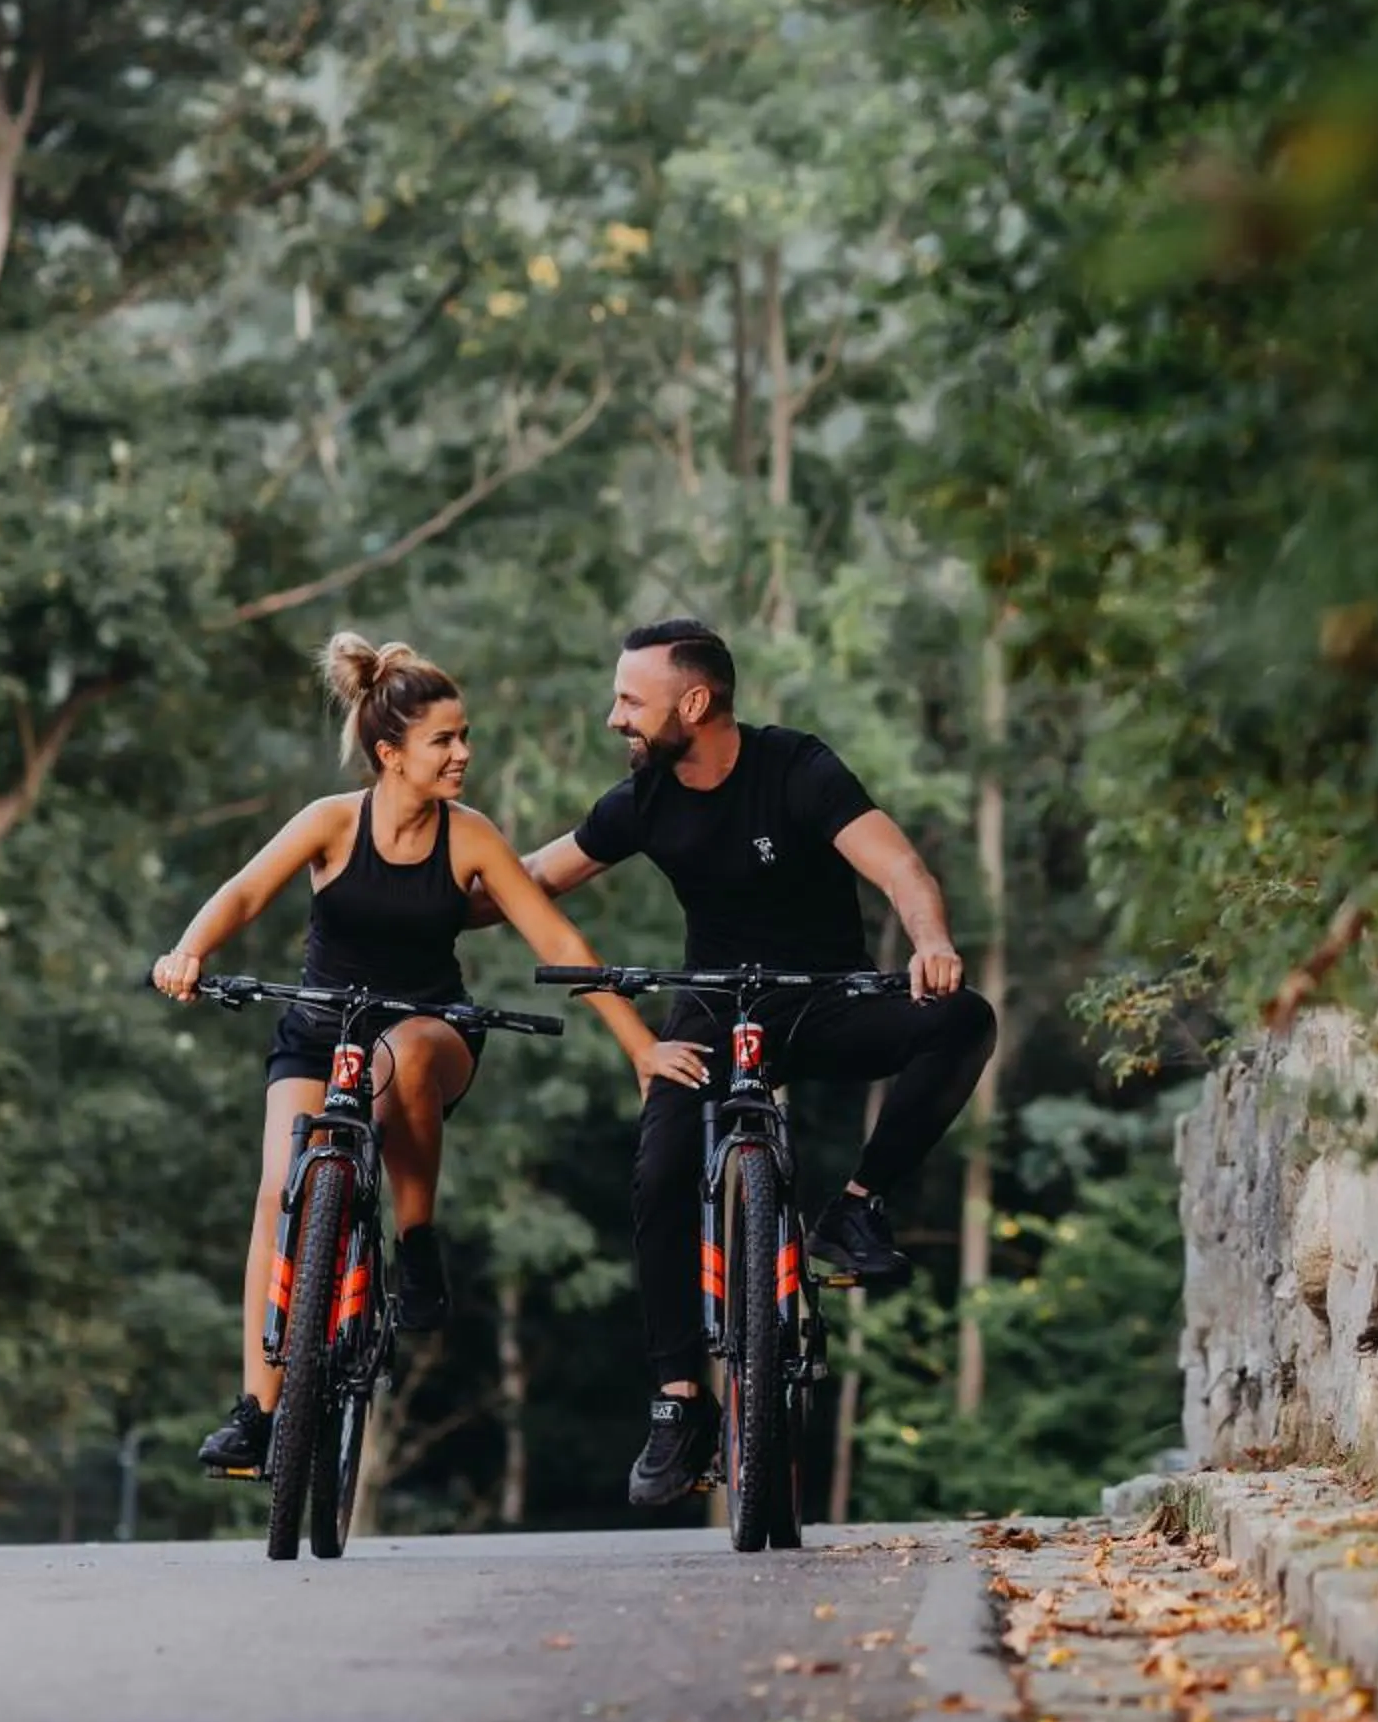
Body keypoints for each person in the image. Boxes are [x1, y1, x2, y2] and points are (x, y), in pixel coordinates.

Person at [152, 634, 703, 1476]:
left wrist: (641, 1046)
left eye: (463, 735)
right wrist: (188, 951)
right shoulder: (331, 823)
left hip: (430, 1027)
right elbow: (245, 891)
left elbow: (557, 936)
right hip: (321, 1028)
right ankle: (257, 1414)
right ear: (390, 754)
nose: (463, 754)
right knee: (275, 1194)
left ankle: (415, 1240)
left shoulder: (470, 838)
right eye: (445, 740)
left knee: (407, 1049)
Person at [481, 618, 994, 1506]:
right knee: (660, 1172)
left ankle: (857, 1211)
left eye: (630, 701)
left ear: (695, 701)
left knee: (962, 1020)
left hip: (825, 998)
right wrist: (429, 881)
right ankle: (680, 1401)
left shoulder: (797, 768)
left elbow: (899, 865)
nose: (615, 719)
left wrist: (931, 942)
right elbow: (533, 878)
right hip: (713, 1009)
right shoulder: (642, 799)